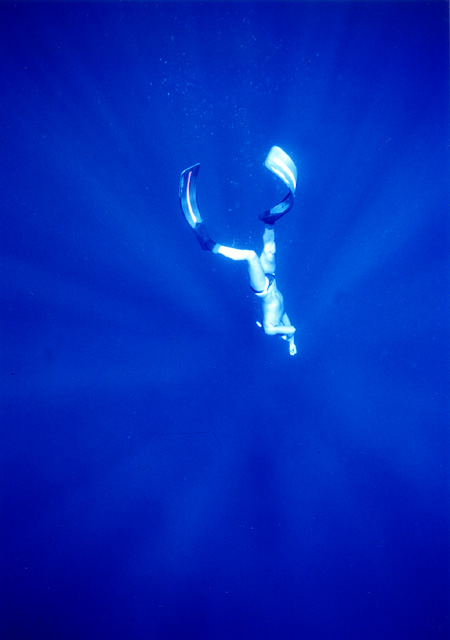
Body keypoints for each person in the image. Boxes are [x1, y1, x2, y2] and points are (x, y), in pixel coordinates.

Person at [179, 146, 297, 356]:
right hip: (272, 278)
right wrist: (291, 343)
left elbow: (292, 329)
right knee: (270, 250)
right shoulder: (280, 319)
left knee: (251, 255)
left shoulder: (270, 329)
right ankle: (269, 222)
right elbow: (289, 324)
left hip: (262, 288)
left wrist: (288, 338)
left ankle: (209, 245)